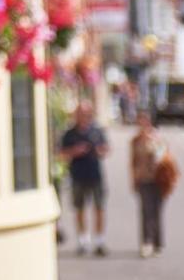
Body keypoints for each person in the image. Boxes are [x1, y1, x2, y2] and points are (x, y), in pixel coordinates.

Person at [60, 101, 110, 256]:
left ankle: (100, 241)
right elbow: (61, 154)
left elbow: (106, 148)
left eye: (86, 113)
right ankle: (83, 241)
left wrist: (100, 151)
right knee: (79, 209)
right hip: (77, 176)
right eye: (80, 113)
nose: (83, 116)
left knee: (99, 208)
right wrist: (75, 151)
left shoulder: (97, 131)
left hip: (95, 175)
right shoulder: (69, 133)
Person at [131, 109, 167, 258]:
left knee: (157, 211)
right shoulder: (135, 140)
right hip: (143, 179)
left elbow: (162, 157)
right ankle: (147, 242)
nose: (142, 123)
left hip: (158, 179)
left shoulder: (157, 137)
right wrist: (133, 179)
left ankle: (157, 242)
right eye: (140, 120)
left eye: (144, 120)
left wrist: (152, 142)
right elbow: (132, 162)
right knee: (146, 211)